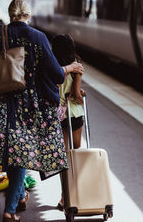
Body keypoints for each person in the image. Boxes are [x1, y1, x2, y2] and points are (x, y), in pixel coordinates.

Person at [0, 0, 84, 222]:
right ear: (28, 15)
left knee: (12, 152)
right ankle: (10, 210)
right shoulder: (37, 37)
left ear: (10, 13)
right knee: (19, 154)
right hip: (28, 106)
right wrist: (70, 68)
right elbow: (55, 74)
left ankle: (20, 196)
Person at [51, 34, 84, 210]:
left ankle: (65, 196)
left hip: (60, 115)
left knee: (63, 158)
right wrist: (79, 94)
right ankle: (78, 192)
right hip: (75, 114)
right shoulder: (77, 67)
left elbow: (53, 89)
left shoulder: (55, 68)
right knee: (76, 154)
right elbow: (77, 95)